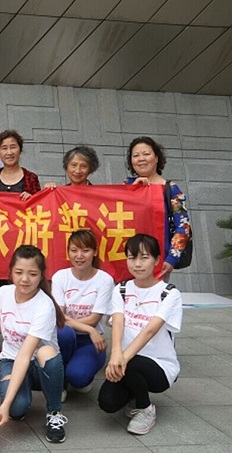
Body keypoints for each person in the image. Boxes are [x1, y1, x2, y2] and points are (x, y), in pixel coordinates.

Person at [0, 245, 67, 443]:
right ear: (10, 272)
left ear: (41, 275)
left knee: (46, 352)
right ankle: (25, 389)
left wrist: (4, 404)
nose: (25, 279)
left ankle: (54, 412)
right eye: (19, 272)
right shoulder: (4, 293)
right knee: (17, 410)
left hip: (36, 363)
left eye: (32, 274)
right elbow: (4, 323)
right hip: (10, 360)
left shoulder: (44, 305)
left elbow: (25, 355)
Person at [98, 234, 183, 435]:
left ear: (156, 260)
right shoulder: (121, 289)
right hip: (126, 361)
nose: (137, 264)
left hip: (159, 366)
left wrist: (122, 358)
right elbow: (118, 322)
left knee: (133, 362)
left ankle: (145, 409)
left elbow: (150, 331)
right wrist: (115, 354)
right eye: (132, 257)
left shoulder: (169, 293)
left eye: (144, 258)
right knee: (107, 402)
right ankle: (135, 390)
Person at [0, 129, 42, 346]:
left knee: (25, 291)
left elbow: (41, 208)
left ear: (20, 150)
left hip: (24, 244)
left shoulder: (31, 178)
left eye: (13, 147)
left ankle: (28, 340)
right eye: (4, 148)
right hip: (0, 245)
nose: (9, 152)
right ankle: (9, 341)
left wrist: (32, 198)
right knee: (5, 292)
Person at [52, 229, 114, 400]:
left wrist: (91, 330)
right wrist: (89, 329)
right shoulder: (60, 277)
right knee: (64, 332)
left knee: (78, 377)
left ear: (95, 252)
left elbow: (94, 319)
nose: (79, 256)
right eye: (74, 250)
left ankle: (74, 375)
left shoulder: (104, 280)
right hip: (65, 337)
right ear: (68, 252)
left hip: (90, 341)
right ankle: (59, 384)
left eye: (85, 250)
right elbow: (59, 317)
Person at [125, 136, 191, 280]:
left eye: (146, 154)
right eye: (136, 156)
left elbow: (183, 226)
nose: (141, 159)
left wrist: (172, 258)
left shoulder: (171, 189)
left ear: (156, 158)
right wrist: (132, 190)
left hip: (158, 261)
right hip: (127, 260)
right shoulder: (125, 187)